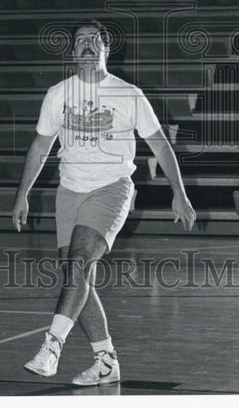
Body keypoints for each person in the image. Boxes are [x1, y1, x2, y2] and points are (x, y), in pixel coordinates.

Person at [12, 20, 196, 386]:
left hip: (112, 188)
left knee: (78, 265)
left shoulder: (128, 94)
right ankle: (105, 360)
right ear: (72, 50)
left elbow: (159, 144)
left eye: (94, 40)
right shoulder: (58, 94)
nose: (86, 46)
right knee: (76, 277)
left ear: (106, 48)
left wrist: (180, 192)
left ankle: (52, 346)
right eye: (79, 40)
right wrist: (22, 195)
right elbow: (39, 147)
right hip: (69, 191)